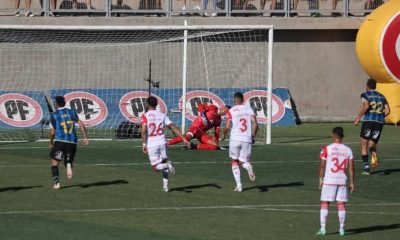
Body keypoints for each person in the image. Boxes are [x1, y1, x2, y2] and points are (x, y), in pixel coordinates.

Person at [141, 96, 190, 192]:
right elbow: (173, 126)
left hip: (152, 144)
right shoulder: (162, 115)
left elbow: (143, 130)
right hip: (163, 142)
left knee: (156, 167)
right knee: (164, 161)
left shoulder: (145, 116)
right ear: (156, 104)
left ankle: (167, 166)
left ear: (147, 104)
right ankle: (165, 186)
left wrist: (144, 144)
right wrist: (183, 138)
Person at [316, 127, 355, 236]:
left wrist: (320, 179)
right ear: (342, 136)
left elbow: (322, 165)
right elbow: (351, 168)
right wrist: (352, 182)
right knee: (341, 204)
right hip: (342, 181)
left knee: (325, 203)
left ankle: (323, 229)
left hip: (329, 180)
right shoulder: (348, 150)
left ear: (333, 135)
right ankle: (342, 229)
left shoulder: (326, 149)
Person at [49, 96, 89, 190]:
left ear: (56, 104)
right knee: (68, 160)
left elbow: (52, 132)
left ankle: (57, 183)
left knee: (55, 163)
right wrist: (85, 137)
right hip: (72, 141)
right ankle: (68, 164)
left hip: (60, 141)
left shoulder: (54, 115)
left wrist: (51, 142)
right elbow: (80, 124)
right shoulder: (72, 112)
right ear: (65, 102)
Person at [222, 92, 257, 192]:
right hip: (246, 139)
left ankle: (239, 185)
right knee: (243, 162)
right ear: (243, 100)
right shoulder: (249, 109)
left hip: (235, 139)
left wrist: (224, 135)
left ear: (234, 100)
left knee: (234, 161)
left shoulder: (231, 111)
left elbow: (227, 127)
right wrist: (253, 136)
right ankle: (247, 166)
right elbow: (255, 123)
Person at [354, 79, 390, 175]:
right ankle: (373, 153)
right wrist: (380, 116)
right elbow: (387, 111)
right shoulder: (382, 96)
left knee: (364, 144)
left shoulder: (365, 95)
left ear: (367, 86)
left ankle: (366, 168)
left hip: (368, 121)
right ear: (375, 86)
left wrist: (358, 117)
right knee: (372, 144)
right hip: (379, 122)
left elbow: (366, 106)